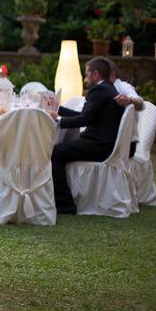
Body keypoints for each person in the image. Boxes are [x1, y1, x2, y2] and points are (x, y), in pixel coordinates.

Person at [50, 56, 126, 214]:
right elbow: (86, 114)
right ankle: (63, 200)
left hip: (98, 145)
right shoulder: (108, 89)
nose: (85, 79)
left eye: (87, 74)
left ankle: (64, 204)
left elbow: (85, 119)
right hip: (103, 143)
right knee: (59, 150)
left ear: (95, 74)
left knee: (54, 153)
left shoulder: (98, 91)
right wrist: (58, 110)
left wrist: (58, 121)